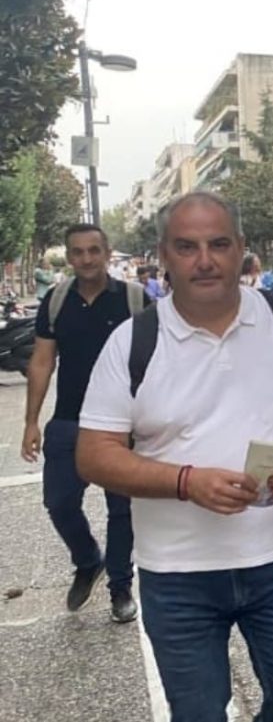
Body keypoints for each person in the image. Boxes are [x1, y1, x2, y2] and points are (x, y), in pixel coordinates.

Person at [74, 192, 273, 721]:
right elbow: (93, 455)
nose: (205, 260)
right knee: (198, 712)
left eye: (219, 244)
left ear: (241, 249)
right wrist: (186, 482)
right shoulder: (134, 342)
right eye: (187, 247)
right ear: (164, 255)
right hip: (179, 571)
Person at [20, 224, 146, 623]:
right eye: (78, 252)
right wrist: (31, 421)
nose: (86, 259)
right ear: (69, 256)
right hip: (69, 421)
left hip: (123, 424)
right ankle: (89, 560)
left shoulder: (134, 300)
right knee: (58, 502)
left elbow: (158, 362)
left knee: (121, 510)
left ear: (107, 253)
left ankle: (121, 587)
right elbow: (42, 362)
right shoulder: (56, 300)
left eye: (94, 250)